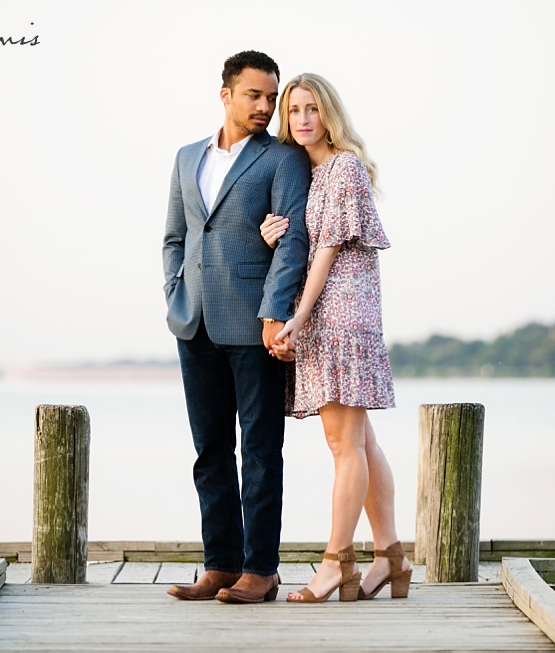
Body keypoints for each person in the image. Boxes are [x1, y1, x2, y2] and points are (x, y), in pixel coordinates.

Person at [162, 51, 311, 604]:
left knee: (260, 451)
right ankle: (219, 565)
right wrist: (173, 291)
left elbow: (292, 242)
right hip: (193, 323)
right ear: (226, 94)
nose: (267, 108)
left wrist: (275, 313)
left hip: (255, 326)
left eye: (272, 97)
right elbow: (174, 237)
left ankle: (261, 570)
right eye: (256, 95)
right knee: (209, 451)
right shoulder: (185, 158)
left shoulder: (282, 159)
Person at [260, 73, 411, 603]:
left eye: (311, 109)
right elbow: (304, 241)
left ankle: (335, 564)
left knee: (343, 445)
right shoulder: (309, 171)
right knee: (361, 442)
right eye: (293, 110)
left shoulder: (343, 167)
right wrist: (271, 233)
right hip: (327, 315)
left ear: (330, 114)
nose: (301, 119)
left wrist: (296, 320)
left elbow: (325, 250)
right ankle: (391, 557)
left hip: (340, 317)